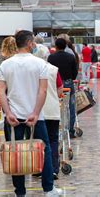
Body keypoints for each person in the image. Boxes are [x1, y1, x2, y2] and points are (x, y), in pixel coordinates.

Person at [0, 30, 61, 196]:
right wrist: (35, 112)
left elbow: (1, 91)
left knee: (14, 152)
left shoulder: (5, 65)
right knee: (44, 150)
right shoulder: (40, 64)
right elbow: (43, 91)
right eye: (33, 42)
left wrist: (8, 112)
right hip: (36, 117)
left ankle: (20, 192)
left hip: (13, 117)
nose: (34, 45)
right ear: (29, 43)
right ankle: (49, 189)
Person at [34, 51, 63, 180]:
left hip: (36, 110)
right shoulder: (54, 70)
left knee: (38, 141)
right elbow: (60, 89)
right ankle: (54, 169)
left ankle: (39, 169)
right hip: (52, 109)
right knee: (53, 140)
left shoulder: (32, 70)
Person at [48, 38, 78, 138]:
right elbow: (75, 73)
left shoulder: (51, 58)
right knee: (70, 107)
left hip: (55, 85)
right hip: (68, 83)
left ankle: (57, 130)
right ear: (65, 46)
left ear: (55, 46)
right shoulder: (71, 57)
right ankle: (70, 130)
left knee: (56, 106)